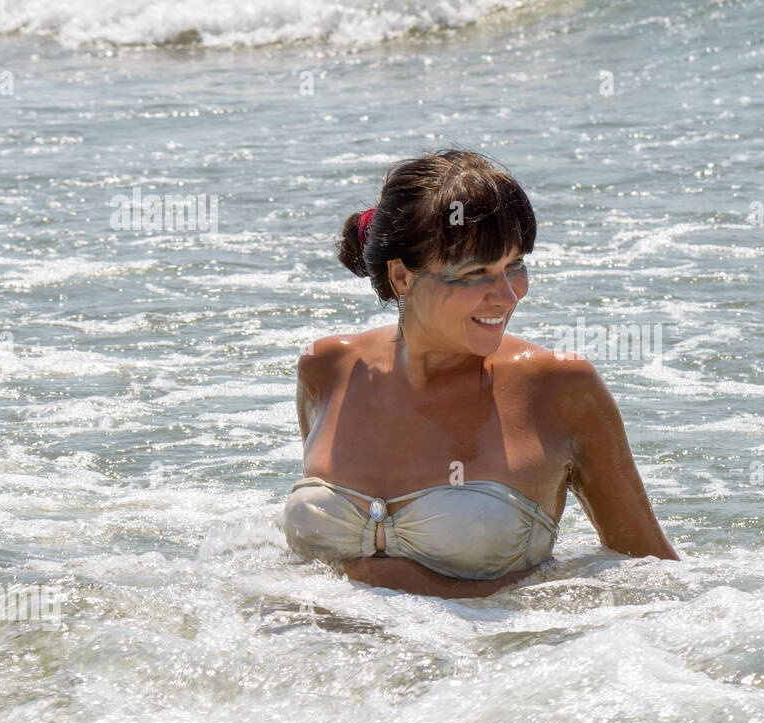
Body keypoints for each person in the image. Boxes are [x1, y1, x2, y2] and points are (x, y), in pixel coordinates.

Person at [282, 149, 679, 598]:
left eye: (515, 266)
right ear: (402, 277)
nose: (508, 295)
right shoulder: (327, 368)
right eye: (476, 273)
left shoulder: (558, 389)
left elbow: (651, 577)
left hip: (491, 664)